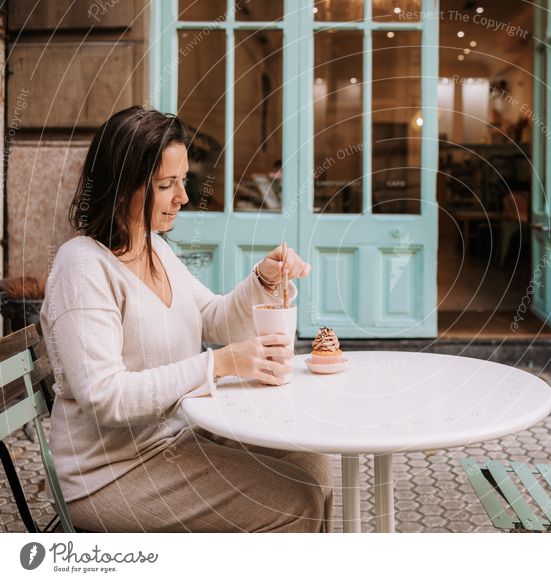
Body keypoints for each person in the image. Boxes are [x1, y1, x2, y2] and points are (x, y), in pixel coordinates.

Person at [39, 106, 332, 533]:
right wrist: (219, 364)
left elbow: (212, 319)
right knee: (295, 502)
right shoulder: (82, 268)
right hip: (110, 475)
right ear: (123, 188)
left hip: (175, 439)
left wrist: (263, 280)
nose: (184, 197)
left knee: (313, 462)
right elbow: (104, 396)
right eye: (166, 185)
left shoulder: (156, 248)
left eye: (182, 181)